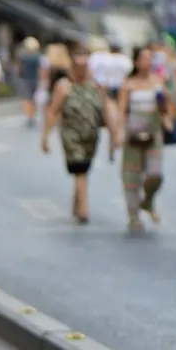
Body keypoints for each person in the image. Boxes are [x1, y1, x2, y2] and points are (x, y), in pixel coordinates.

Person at [41, 44, 115, 223]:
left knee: (83, 169)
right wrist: (45, 136)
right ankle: (83, 210)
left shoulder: (97, 86)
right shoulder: (64, 86)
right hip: (71, 134)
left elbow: (106, 110)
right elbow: (53, 111)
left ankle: (76, 203)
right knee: (79, 167)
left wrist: (113, 136)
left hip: (91, 134)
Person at [117, 47, 170, 232]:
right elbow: (122, 110)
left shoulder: (158, 82)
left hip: (153, 131)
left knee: (155, 174)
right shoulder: (128, 84)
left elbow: (166, 108)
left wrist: (165, 106)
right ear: (136, 62)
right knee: (131, 176)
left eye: (150, 58)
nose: (147, 62)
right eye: (144, 58)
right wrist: (118, 133)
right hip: (133, 133)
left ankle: (147, 200)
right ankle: (133, 215)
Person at [17, 36, 42, 128]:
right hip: (35, 79)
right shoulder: (38, 56)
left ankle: (29, 116)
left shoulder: (23, 56)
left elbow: (20, 68)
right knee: (33, 98)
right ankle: (32, 115)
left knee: (27, 98)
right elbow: (40, 69)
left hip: (26, 78)